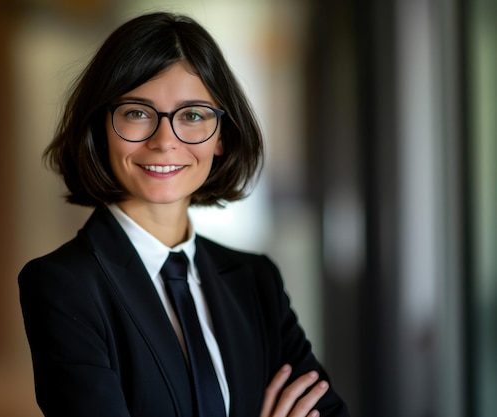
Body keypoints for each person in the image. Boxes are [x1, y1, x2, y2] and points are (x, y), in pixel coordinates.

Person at [19, 11, 350, 417]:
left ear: (222, 137)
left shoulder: (256, 281)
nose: (164, 141)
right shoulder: (63, 285)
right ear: (100, 128)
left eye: (192, 115)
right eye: (137, 112)